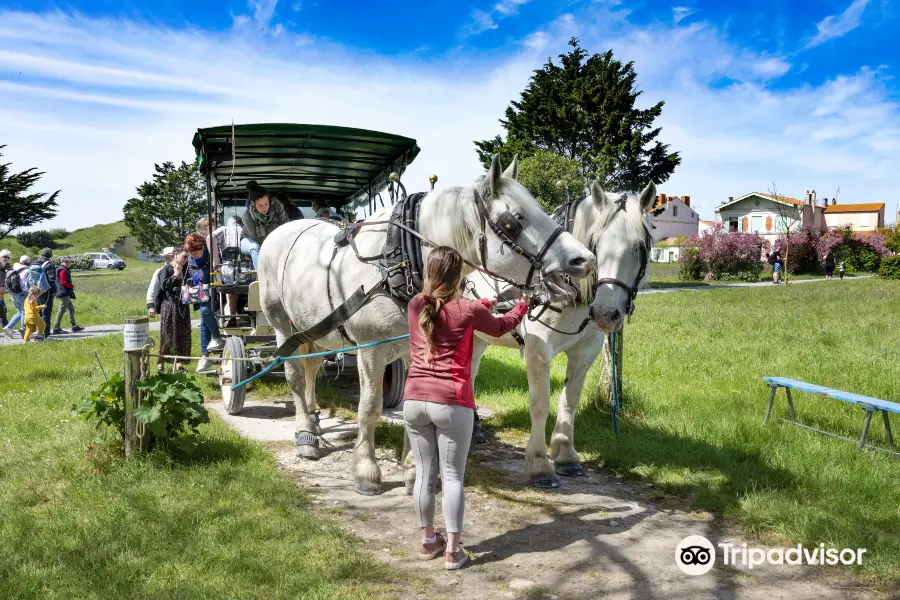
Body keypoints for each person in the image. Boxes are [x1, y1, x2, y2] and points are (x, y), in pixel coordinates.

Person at [403, 246, 528, 571]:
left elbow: (446, 317)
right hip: (452, 403)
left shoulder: (416, 305)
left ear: (429, 273)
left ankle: (429, 540)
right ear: (458, 275)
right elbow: (501, 326)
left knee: (425, 476)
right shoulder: (469, 309)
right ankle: (453, 551)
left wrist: (480, 307)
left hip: (415, 400)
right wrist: (523, 306)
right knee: (454, 476)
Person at [184, 233, 223, 372]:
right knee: (203, 321)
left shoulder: (211, 255)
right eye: (191, 253)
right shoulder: (191, 258)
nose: (193, 255)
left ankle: (217, 339)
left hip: (215, 291)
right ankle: (204, 356)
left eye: (195, 252)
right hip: (200, 292)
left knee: (205, 312)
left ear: (202, 247)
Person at [152, 250, 192, 372]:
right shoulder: (166, 269)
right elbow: (164, 286)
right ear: (175, 256)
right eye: (183, 257)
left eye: (187, 257)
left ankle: (180, 363)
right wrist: (175, 275)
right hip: (169, 305)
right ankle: (161, 364)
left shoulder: (186, 270)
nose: (185, 259)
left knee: (182, 334)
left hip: (182, 305)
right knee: (168, 334)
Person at [241, 181, 288, 270]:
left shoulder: (277, 205)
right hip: (250, 239)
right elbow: (259, 240)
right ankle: (262, 279)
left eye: (266, 204)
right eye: (260, 206)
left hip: (274, 238)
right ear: (254, 204)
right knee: (255, 248)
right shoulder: (247, 217)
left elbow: (284, 226)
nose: (264, 208)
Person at [51, 256, 83, 334]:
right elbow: (64, 282)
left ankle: (74, 326)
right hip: (64, 292)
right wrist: (71, 286)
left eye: (69, 262)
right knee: (61, 310)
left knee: (71, 309)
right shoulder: (63, 270)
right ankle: (56, 328)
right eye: (67, 262)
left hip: (65, 292)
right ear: (63, 262)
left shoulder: (62, 269)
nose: (69, 263)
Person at [2, 255, 30, 338]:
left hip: (13, 293)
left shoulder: (14, 268)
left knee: (20, 311)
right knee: (24, 311)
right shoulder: (27, 270)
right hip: (23, 292)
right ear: (28, 262)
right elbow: (28, 282)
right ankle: (23, 329)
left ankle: (8, 327)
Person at [147, 247, 177, 318]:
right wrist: (150, 306)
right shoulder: (160, 271)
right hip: (165, 305)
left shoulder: (180, 269)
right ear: (166, 258)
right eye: (172, 256)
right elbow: (152, 289)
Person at [33, 248, 57, 334]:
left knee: (37, 311)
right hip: (46, 291)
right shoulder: (49, 264)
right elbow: (51, 279)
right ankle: (45, 333)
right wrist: (54, 291)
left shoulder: (35, 262)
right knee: (46, 312)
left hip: (35, 290)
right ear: (50, 255)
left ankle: (37, 331)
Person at [0, 249, 10, 327]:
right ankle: (6, 327)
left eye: (8, 257)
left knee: (3, 309)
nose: (6, 258)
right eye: (4, 257)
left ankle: (6, 326)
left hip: (1, 292)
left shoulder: (4, 267)